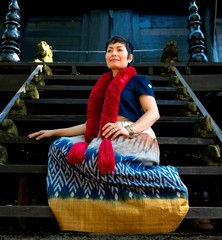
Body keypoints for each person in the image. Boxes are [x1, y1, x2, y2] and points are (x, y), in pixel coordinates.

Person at [28, 35, 189, 234]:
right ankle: (88, 212)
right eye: (110, 50)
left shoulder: (138, 80)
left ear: (129, 57)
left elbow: (153, 113)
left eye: (119, 49)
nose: (113, 53)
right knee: (59, 147)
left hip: (133, 133)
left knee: (99, 158)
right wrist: (54, 131)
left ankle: (164, 181)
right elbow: (91, 125)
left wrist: (127, 129)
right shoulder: (103, 88)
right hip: (104, 135)